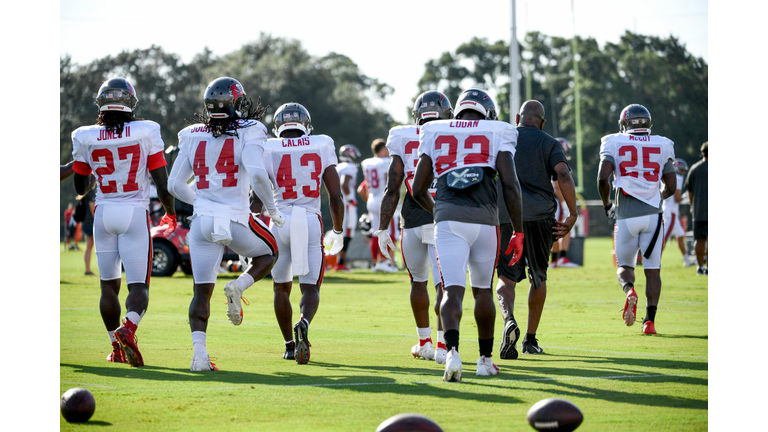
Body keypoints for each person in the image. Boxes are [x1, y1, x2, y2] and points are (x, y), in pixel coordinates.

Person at [167, 76, 286, 371]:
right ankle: (238, 285)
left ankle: (199, 357)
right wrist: (272, 208)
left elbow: (174, 185)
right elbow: (258, 176)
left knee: (200, 291)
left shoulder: (192, 134)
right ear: (236, 103)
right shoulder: (251, 129)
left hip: (202, 223)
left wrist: (203, 206)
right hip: (235, 219)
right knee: (270, 252)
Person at [411, 88, 524, 382]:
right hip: (486, 221)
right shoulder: (498, 131)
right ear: (487, 112)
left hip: (449, 219)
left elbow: (417, 187)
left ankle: (452, 354)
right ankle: (485, 361)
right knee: (483, 290)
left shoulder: (435, 130)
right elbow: (510, 185)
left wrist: (439, 211)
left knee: (451, 290)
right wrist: (519, 230)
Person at [71, 77, 177, 367]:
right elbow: (162, 182)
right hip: (134, 213)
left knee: (108, 287)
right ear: (131, 103)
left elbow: (81, 188)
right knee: (139, 288)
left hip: (103, 214)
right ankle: (127, 329)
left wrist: (92, 171)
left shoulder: (84, 135)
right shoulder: (146, 130)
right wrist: (170, 211)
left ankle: (114, 346)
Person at [253, 102, 345, 364]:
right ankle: (303, 322)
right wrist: (338, 230)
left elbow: (257, 197)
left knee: (281, 288)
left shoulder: (267, 147)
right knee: (310, 287)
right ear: (306, 125)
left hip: (278, 219)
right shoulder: (321, 143)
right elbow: (335, 196)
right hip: (309, 218)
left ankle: (289, 345)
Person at [495, 101, 578, 359]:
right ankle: (530, 340)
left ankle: (509, 319)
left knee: (505, 279)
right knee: (538, 276)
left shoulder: (502, 137)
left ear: (518, 117)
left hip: (508, 216)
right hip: (541, 216)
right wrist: (573, 213)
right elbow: (562, 173)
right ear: (542, 122)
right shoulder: (550, 142)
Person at [376, 90, 453, 364]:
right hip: (443, 215)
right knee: (444, 284)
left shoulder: (401, 135)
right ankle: (444, 345)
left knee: (417, 282)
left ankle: (424, 343)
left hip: (411, 220)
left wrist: (382, 228)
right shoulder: (454, 132)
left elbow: (393, 186)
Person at [597, 104, 677, 335]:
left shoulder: (613, 141)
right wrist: (655, 197)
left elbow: (603, 178)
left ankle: (630, 291)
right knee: (653, 271)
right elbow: (670, 186)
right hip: (653, 217)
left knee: (624, 267)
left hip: (625, 215)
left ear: (625, 124)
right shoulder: (662, 143)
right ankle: (649, 322)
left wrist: (607, 205)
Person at [361, 139, 397, 272]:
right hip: (384, 199)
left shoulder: (366, 163)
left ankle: (376, 262)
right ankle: (385, 260)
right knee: (389, 231)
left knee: (376, 232)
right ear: (382, 149)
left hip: (371, 198)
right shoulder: (385, 162)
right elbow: (390, 180)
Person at [549, 137, 580, 268]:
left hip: (549, 200)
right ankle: (562, 258)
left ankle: (555, 259)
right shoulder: (558, 164)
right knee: (564, 227)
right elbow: (557, 185)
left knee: (554, 229)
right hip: (557, 200)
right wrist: (565, 204)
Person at [662, 158, 695, 267]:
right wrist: (686, 197)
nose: (683, 172)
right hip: (670, 213)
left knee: (680, 236)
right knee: (664, 238)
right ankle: (655, 261)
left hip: (671, 212)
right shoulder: (678, 178)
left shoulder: (668, 177)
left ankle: (687, 260)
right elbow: (677, 198)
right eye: (681, 170)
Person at [334, 144, 362, 272]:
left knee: (340, 232)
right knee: (348, 233)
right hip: (346, 204)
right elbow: (344, 183)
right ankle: (339, 263)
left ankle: (337, 262)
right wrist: (350, 198)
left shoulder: (338, 166)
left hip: (337, 203)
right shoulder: (349, 167)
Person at [684, 141, 708, 275]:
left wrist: (693, 206)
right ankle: (709, 268)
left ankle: (699, 267)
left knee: (699, 240)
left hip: (699, 211)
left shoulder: (694, 168)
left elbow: (689, 190)